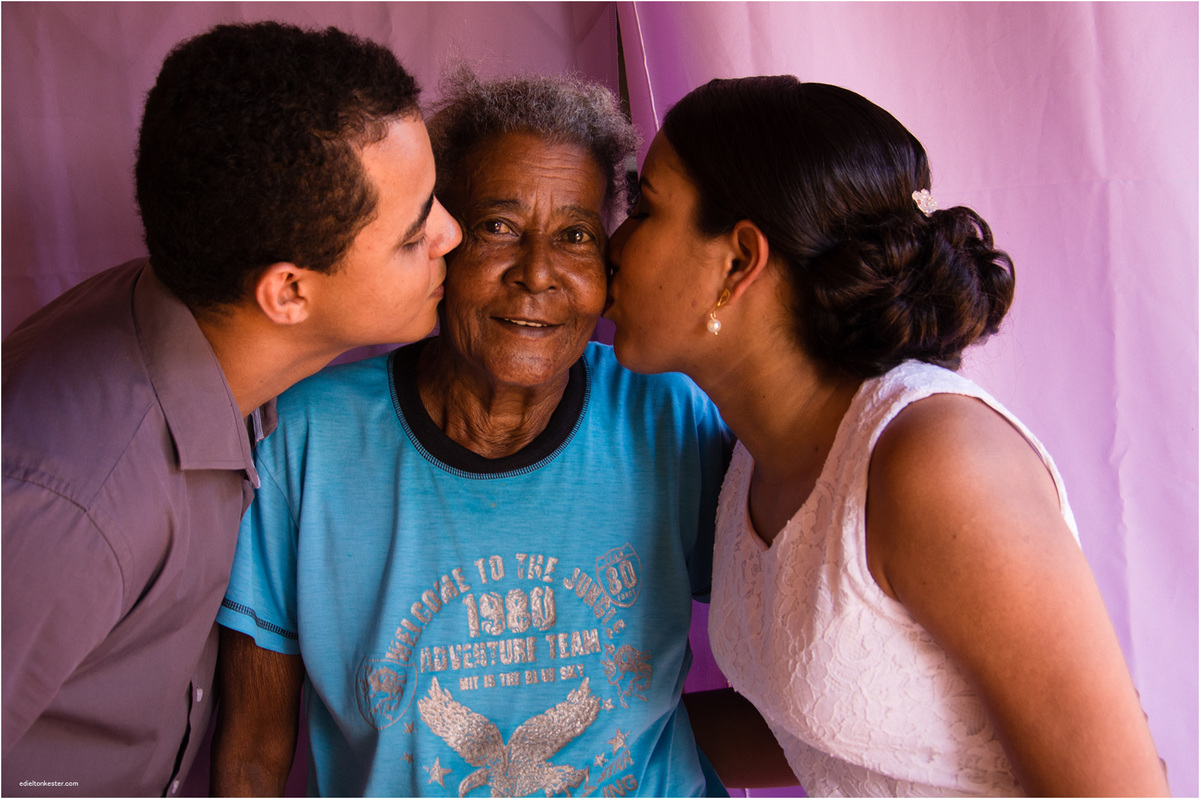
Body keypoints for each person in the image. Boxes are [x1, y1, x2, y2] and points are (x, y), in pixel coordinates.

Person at [604, 76, 1170, 796]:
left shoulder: (935, 459)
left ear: (738, 262)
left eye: (644, 208)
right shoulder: (753, 461)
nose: (611, 244)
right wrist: (580, 736)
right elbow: (839, 723)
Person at [210, 68, 732, 797]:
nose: (538, 272)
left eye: (576, 235)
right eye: (499, 227)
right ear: (440, 242)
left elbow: (799, 652)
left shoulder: (668, 414)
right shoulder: (303, 436)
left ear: (609, 263)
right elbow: (252, 752)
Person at [1, 21, 459, 797]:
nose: (451, 232)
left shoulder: (210, 340)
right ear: (288, 292)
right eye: (414, 235)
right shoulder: (73, 510)